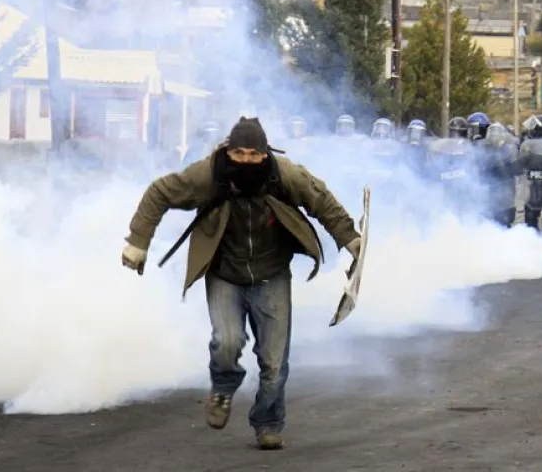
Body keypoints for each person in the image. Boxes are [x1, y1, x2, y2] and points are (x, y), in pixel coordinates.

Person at [121, 117, 362, 451]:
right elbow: (159, 192)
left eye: (253, 154)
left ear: (265, 154)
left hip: (272, 275)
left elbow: (322, 201)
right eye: (239, 153)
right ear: (227, 150)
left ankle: (267, 422)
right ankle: (223, 388)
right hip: (224, 275)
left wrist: (350, 239)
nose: (246, 160)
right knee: (227, 342)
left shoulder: (284, 174)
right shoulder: (209, 175)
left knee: (275, 365)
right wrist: (138, 242)